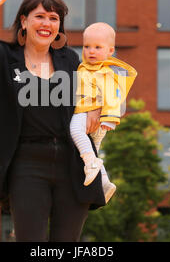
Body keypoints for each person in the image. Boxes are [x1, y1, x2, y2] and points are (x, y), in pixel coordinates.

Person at [0, 0, 106, 242]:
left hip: (71, 164)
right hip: (26, 165)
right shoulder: (1, 57)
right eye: (39, 16)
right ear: (24, 21)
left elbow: (92, 92)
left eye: (53, 18)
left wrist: (96, 108)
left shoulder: (70, 59)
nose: (46, 23)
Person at [70, 22, 137, 203]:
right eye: (87, 46)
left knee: (75, 131)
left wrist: (110, 118)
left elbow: (113, 96)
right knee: (94, 148)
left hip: (92, 114)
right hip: (95, 118)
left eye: (97, 47)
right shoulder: (86, 67)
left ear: (110, 50)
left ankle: (90, 163)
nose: (91, 51)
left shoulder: (105, 72)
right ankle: (104, 182)